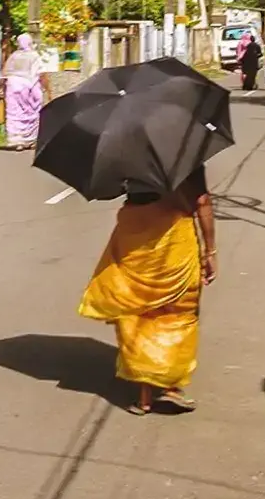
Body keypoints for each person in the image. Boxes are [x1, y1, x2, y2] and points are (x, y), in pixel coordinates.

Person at [79, 171, 218, 413]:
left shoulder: (126, 151)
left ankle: (144, 396)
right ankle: (168, 385)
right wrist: (210, 251)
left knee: (138, 310)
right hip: (174, 240)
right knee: (178, 312)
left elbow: (111, 189)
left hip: (133, 233)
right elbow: (202, 201)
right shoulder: (186, 148)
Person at [2, 32, 48, 148]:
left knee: (14, 113)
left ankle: (17, 141)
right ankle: (30, 139)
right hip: (30, 86)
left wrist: (0, 88)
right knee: (31, 112)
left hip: (13, 87)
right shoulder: (34, 56)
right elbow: (41, 73)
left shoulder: (13, 56)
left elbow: (4, 73)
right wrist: (48, 89)